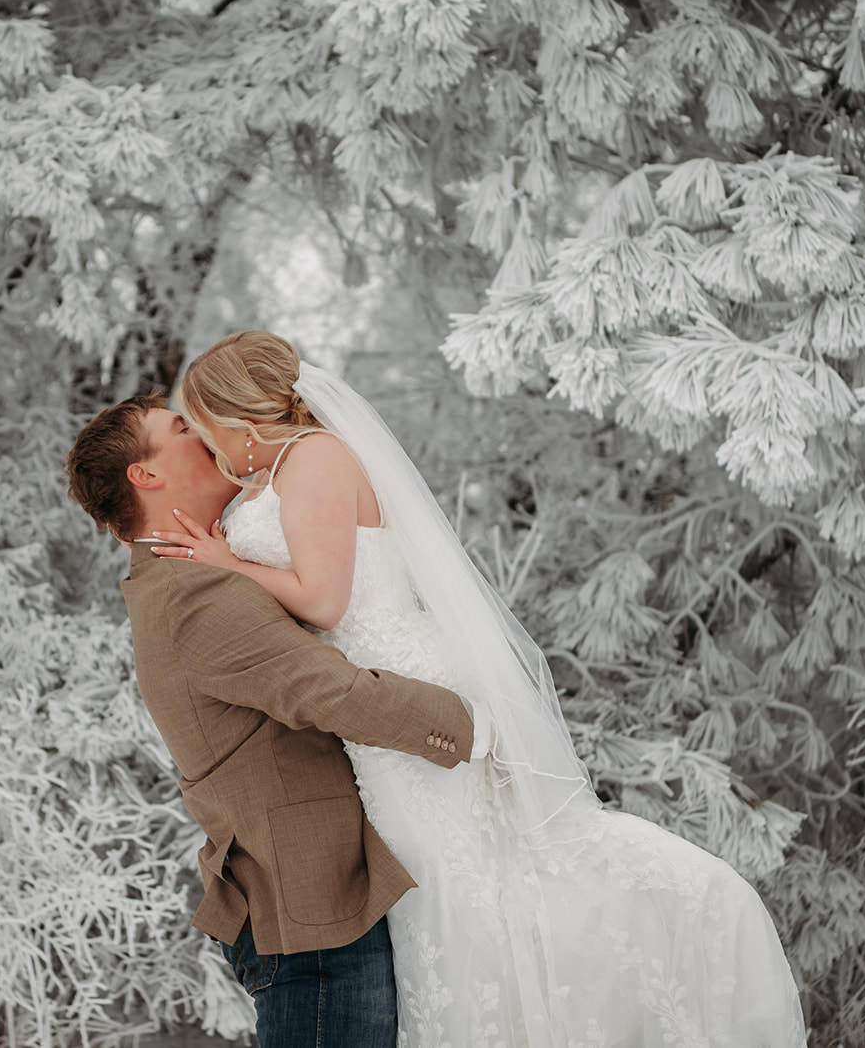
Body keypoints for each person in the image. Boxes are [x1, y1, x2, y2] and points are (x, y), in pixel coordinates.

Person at [146, 330, 808, 1048]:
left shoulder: (314, 460)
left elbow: (324, 600)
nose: (208, 449)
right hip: (373, 708)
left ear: (240, 419)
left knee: (454, 879)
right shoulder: (282, 472)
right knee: (454, 884)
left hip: (396, 684)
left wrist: (225, 562)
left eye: (204, 428)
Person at [63, 392, 495, 1048]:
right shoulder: (191, 593)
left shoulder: (183, 574)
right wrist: (474, 728)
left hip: (314, 905)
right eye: (181, 427)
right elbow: (334, 692)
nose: (204, 431)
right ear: (145, 475)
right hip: (314, 920)